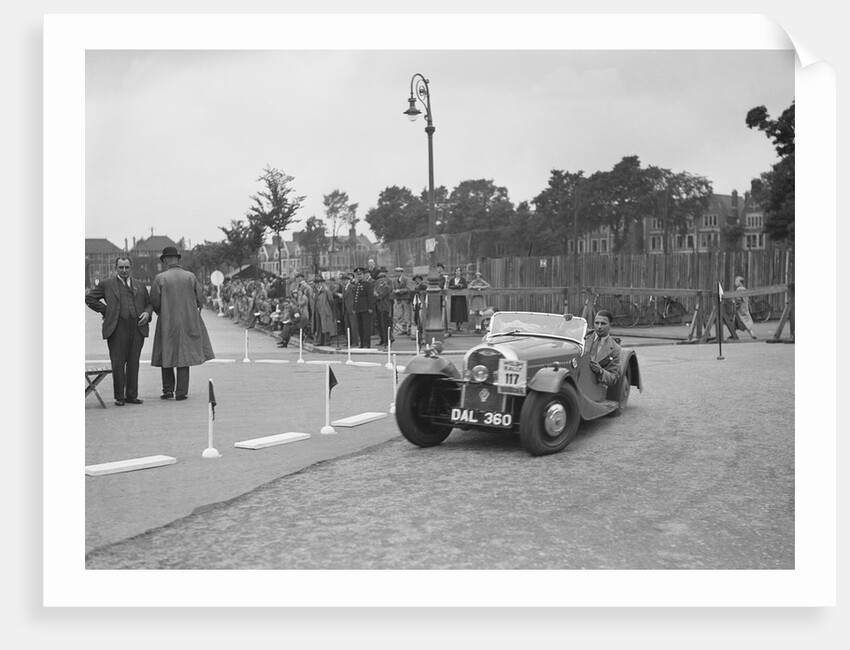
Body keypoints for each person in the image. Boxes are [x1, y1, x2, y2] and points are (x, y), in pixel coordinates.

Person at [85, 256, 154, 406]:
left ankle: (132, 395)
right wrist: (106, 311)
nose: (124, 270)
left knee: (134, 362)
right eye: (121, 267)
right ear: (115, 268)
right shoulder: (106, 284)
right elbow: (89, 298)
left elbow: (149, 304)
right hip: (117, 328)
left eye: (126, 267)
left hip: (137, 328)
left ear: (131, 268)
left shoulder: (140, 285)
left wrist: (147, 313)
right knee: (118, 363)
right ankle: (119, 397)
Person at [149, 247, 215, 400]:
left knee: (166, 352)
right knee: (184, 355)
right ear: (178, 259)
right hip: (188, 320)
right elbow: (200, 300)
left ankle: (167, 390)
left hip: (167, 321)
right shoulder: (190, 277)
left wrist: (162, 312)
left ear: (165, 260)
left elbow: (155, 301)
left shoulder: (160, 278)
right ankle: (181, 392)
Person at [583, 309, 621, 387]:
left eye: (603, 324)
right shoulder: (584, 334)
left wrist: (601, 371)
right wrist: (567, 321)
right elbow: (566, 332)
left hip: (594, 385)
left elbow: (613, 378)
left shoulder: (615, 349)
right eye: (597, 323)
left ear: (610, 326)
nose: (599, 327)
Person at [352, 267, 375, 348]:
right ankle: (362, 343)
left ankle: (366, 343)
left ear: (364, 275)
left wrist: (370, 308)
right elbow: (355, 298)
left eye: (360, 274)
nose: (359, 276)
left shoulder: (367, 284)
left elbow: (370, 297)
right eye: (357, 275)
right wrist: (354, 308)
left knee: (366, 327)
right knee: (360, 327)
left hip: (365, 309)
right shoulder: (356, 285)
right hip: (358, 309)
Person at [311, 274, 335, 346]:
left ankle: (327, 341)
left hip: (325, 310)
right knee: (319, 326)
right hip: (318, 310)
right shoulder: (315, 291)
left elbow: (331, 300)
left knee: (326, 326)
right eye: (316, 283)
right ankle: (319, 340)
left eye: (318, 283)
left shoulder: (326, 290)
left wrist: (328, 309)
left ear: (321, 283)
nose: (317, 284)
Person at [373, 267, 393, 348]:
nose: (381, 279)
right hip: (379, 305)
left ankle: (387, 339)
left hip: (385, 305)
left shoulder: (387, 282)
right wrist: (375, 294)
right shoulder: (378, 282)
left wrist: (378, 296)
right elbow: (374, 291)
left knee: (385, 323)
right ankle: (383, 339)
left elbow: (387, 290)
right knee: (380, 323)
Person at [734, 275, 757, 340]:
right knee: (741, 321)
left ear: (740, 282)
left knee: (744, 321)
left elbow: (738, 299)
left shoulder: (739, 289)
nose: (735, 282)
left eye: (736, 281)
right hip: (745, 307)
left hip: (740, 309)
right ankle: (752, 334)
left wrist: (736, 306)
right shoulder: (745, 289)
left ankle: (733, 334)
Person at [447, 266, 469, 332]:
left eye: (459, 271)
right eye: (456, 271)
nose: (457, 273)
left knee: (461, 312)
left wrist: (460, 286)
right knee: (455, 312)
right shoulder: (452, 280)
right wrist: (455, 286)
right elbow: (449, 286)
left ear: (461, 273)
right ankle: (456, 326)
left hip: (461, 297)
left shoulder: (463, 279)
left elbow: (465, 286)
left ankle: (461, 326)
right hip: (454, 297)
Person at [392, 267, 412, 336]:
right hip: (399, 300)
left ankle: (408, 329)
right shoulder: (394, 281)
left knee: (407, 314)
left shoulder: (406, 279)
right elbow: (393, 289)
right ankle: (403, 329)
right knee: (400, 314)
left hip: (405, 299)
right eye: (396, 272)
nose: (397, 273)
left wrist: (400, 291)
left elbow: (408, 288)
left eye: (399, 272)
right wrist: (395, 291)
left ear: (401, 272)